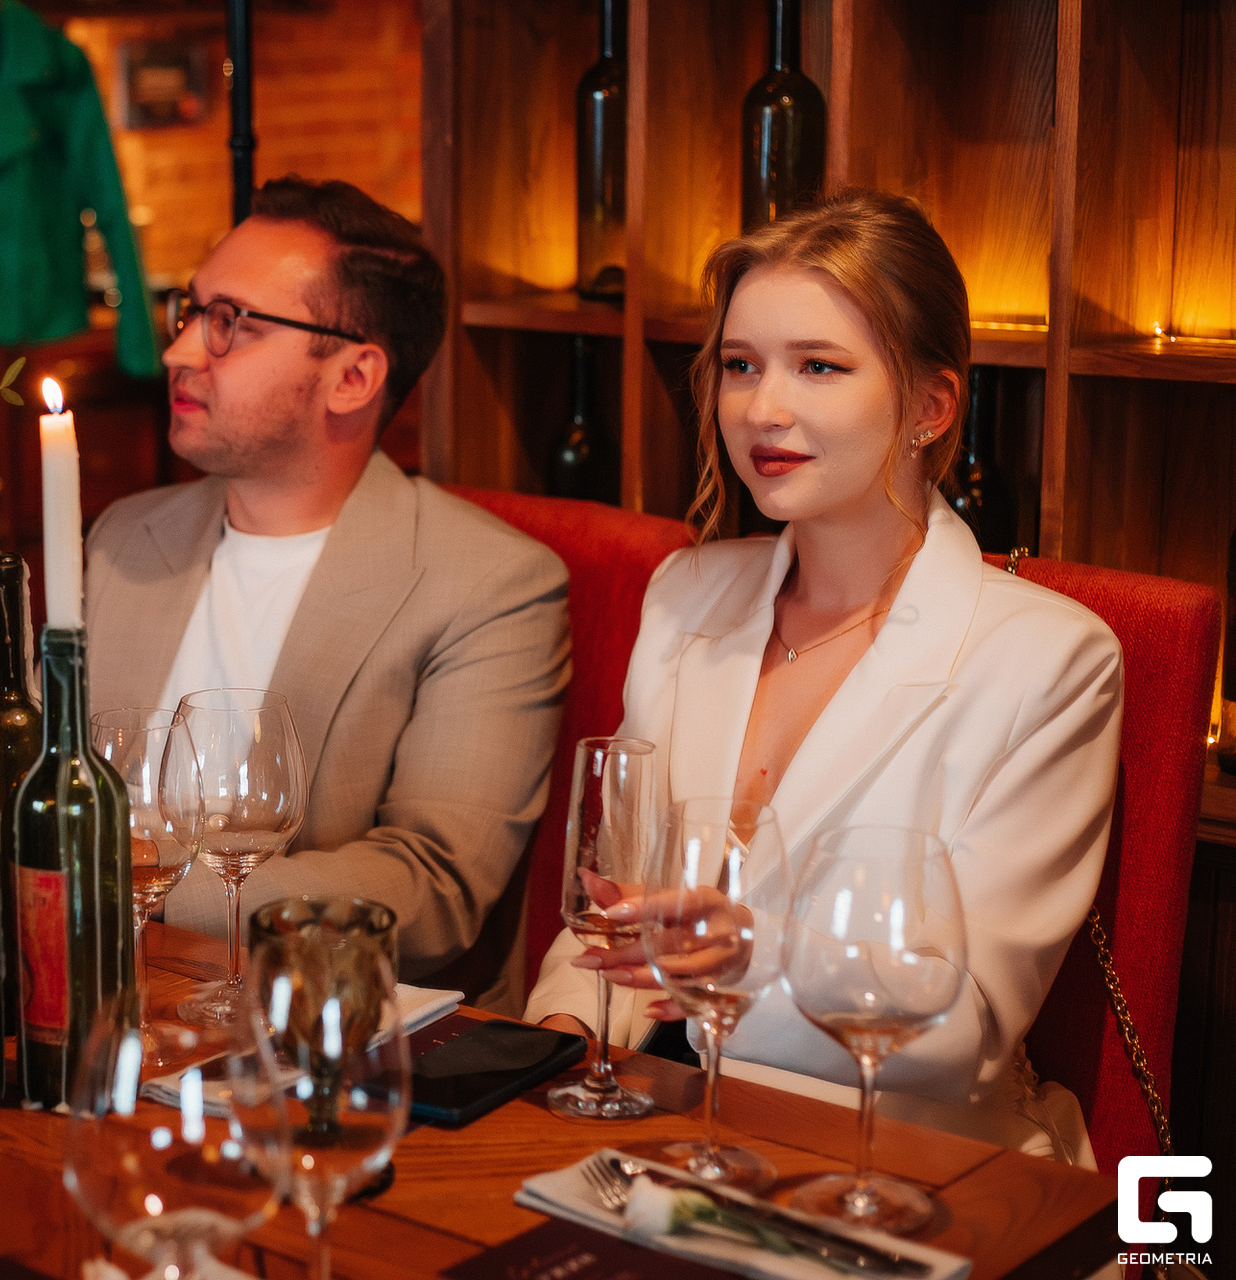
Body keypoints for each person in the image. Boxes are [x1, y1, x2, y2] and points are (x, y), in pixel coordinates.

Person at [526, 190, 1122, 1163]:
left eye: (819, 366)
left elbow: (968, 1031)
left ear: (930, 406)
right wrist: (557, 1048)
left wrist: (751, 956)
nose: (763, 408)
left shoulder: (1051, 660)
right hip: (660, 1126)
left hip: (898, 1160)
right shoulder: (686, 593)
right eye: (740, 365)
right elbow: (614, 904)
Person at [85, 176, 570, 1014]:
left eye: (231, 323)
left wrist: (137, 883)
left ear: (352, 376)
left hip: (333, 1024)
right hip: (101, 993)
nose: (180, 352)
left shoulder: (488, 583)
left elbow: (433, 882)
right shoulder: (123, 538)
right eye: (190, 312)